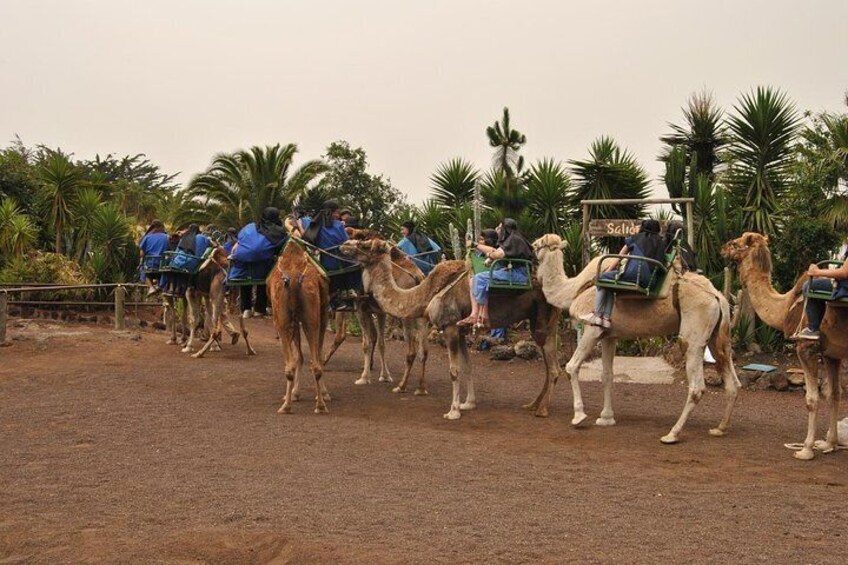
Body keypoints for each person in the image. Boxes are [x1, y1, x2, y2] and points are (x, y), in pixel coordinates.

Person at [582, 219, 666, 329]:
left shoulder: (635, 238)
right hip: (650, 282)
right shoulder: (661, 243)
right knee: (610, 286)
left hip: (632, 276)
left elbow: (620, 256)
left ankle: (598, 314)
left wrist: (608, 271)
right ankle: (606, 318)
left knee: (602, 279)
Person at [457, 219, 533, 328]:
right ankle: (477, 314)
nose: (497, 229)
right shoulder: (513, 239)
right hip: (513, 272)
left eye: (499, 227)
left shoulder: (514, 239)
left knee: (480, 278)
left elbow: (498, 254)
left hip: (518, 275)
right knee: (475, 279)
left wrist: (490, 257)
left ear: (506, 228)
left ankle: (479, 315)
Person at [229, 207, 288, 318]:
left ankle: (246, 309)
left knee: (245, 282)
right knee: (264, 281)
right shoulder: (279, 231)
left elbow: (240, 238)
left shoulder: (250, 227)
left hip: (242, 263)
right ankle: (259, 309)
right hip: (263, 265)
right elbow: (280, 248)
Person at [301, 200, 360, 310]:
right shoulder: (338, 225)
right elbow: (346, 242)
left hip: (322, 262)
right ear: (331, 212)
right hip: (339, 260)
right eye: (336, 213)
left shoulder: (314, 224)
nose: (338, 216)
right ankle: (350, 292)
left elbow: (303, 226)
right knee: (359, 263)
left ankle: (335, 296)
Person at [794, 257, 848, 340]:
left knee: (807, 286)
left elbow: (844, 272)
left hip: (844, 288)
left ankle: (813, 329)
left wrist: (817, 272)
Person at [138, 219, 168, 296]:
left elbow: (141, 254)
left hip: (151, 264)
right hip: (163, 264)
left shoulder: (147, 237)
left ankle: (151, 287)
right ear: (160, 227)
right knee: (160, 272)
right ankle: (159, 285)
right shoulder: (167, 237)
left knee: (143, 269)